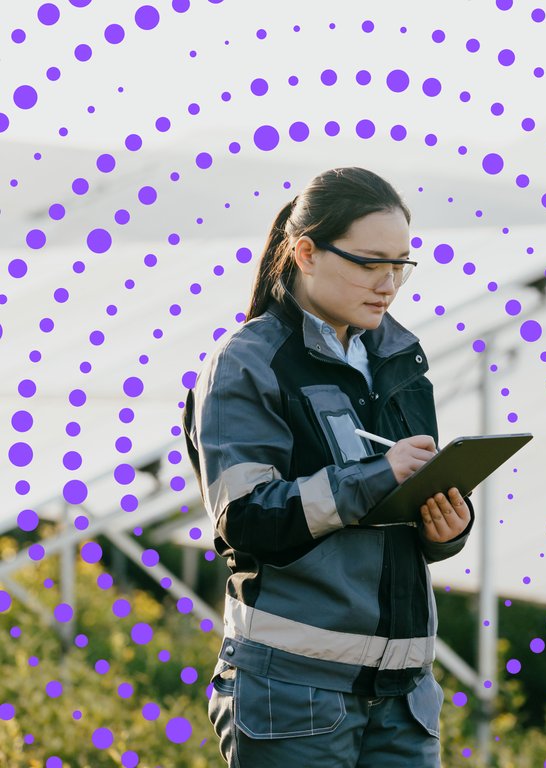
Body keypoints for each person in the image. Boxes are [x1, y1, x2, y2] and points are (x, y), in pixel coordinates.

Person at [182, 166, 474, 767]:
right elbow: (248, 520)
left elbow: (402, 511)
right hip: (293, 693)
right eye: (370, 262)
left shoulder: (399, 357)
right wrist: (377, 476)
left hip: (405, 694)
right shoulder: (250, 362)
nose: (389, 283)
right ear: (306, 252)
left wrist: (445, 527)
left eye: (401, 265)